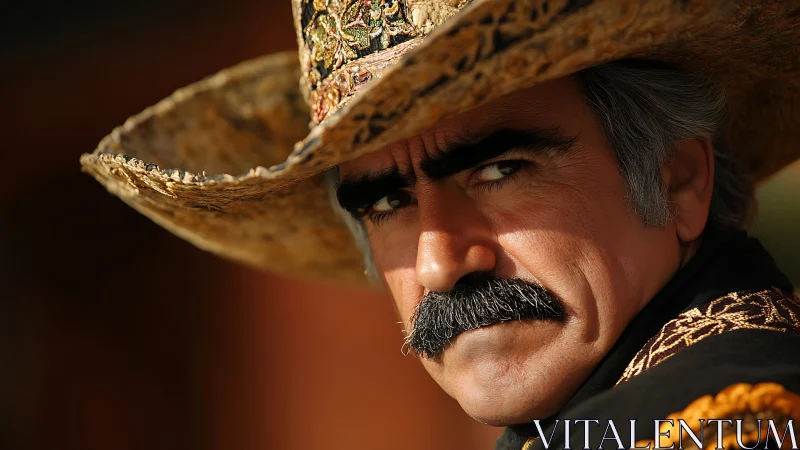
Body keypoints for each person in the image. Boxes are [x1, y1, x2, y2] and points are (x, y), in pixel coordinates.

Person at [81, 1, 800, 448]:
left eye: (499, 171)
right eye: (387, 204)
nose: (438, 264)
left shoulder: (736, 424)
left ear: (678, 179)